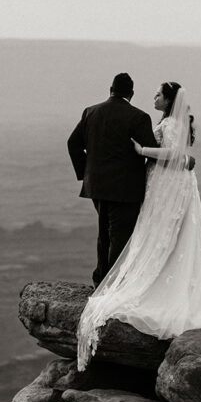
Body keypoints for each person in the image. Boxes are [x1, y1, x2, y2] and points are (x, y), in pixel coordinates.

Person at [76, 82, 201, 371]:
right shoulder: (170, 121)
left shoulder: (170, 123)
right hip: (174, 182)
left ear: (169, 100)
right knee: (164, 234)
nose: (154, 98)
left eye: (159, 95)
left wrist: (140, 148)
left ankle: (140, 281)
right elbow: (182, 155)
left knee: (155, 232)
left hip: (166, 183)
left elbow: (171, 153)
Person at [68, 73, 160, 287]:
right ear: (132, 93)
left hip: (97, 186)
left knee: (104, 233)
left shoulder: (91, 112)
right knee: (121, 236)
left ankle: (101, 278)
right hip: (126, 188)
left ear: (110, 88)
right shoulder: (139, 117)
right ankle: (113, 284)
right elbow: (151, 151)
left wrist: (87, 173)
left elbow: (73, 143)